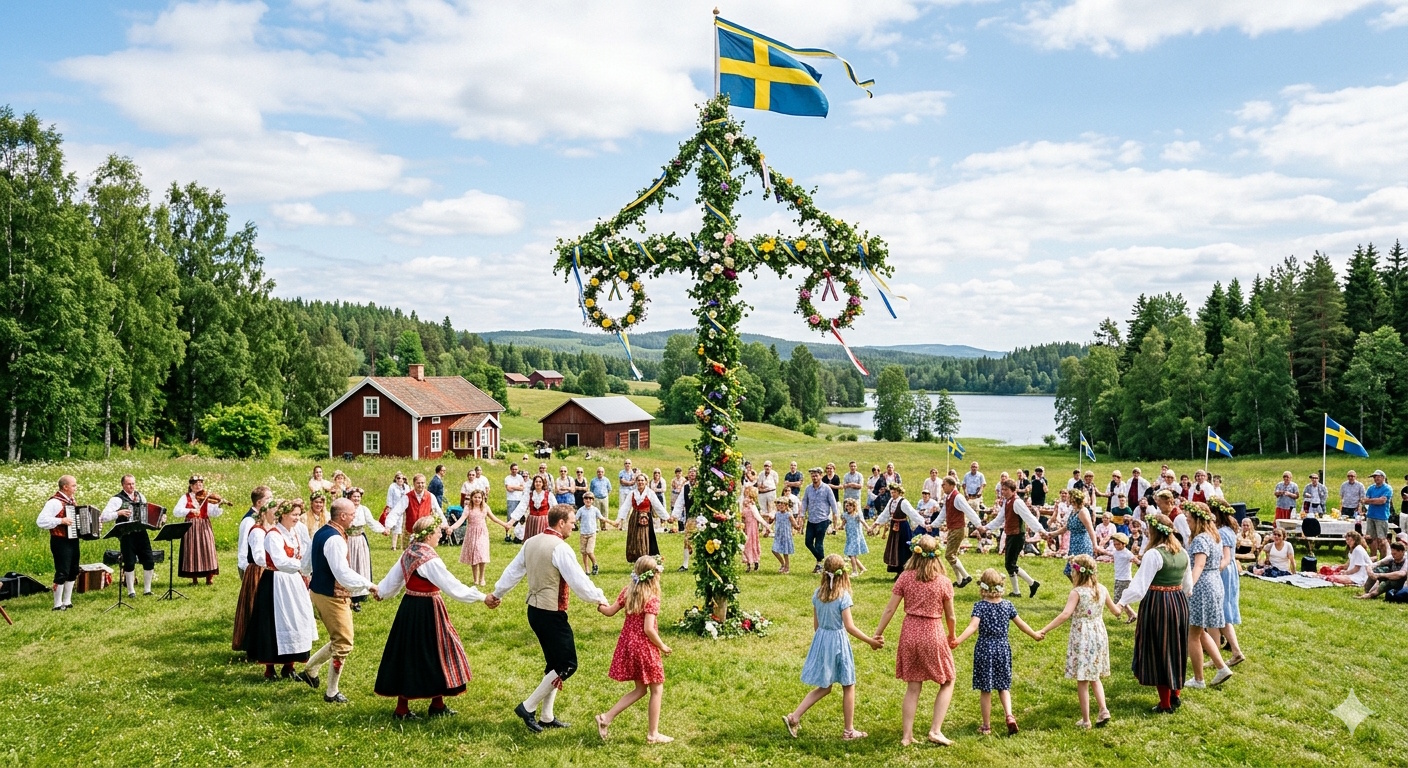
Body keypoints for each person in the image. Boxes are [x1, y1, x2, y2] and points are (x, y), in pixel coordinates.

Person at [492, 504, 611, 733]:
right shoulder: (561, 548)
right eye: (572, 522)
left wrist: (497, 593)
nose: (574, 525)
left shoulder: (530, 542)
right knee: (567, 664)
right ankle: (528, 707)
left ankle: (547, 716)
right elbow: (578, 580)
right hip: (550, 613)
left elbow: (512, 572)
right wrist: (599, 598)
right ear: (561, 523)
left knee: (554, 664)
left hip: (534, 612)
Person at [375, 516, 489, 720]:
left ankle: (436, 704)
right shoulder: (429, 559)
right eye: (437, 532)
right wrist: (482, 597)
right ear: (427, 536)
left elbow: (393, 580)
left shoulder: (410, 551)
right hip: (427, 609)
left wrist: (381, 592)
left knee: (411, 652)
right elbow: (452, 586)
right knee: (434, 652)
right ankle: (404, 709)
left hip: (410, 608)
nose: (439, 535)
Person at [783, 554, 884, 741]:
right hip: (838, 642)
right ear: (843, 574)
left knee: (825, 686)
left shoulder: (817, 594)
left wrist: (822, 642)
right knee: (848, 684)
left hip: (822, 640)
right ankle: (848, 731)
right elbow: (850, 627)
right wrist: (871, 641)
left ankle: (794, 717)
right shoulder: (843, 597)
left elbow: (816, 625)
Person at [873, 535, 958, 746]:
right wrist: (952, 635)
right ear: (937, 556)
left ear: (915, 552)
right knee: (947, 680)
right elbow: (951, 616)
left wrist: (878, 632)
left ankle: (907, 736)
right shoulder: (944, 582)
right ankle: (935, 730)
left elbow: (890, 608)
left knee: (913, 686)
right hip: (933, 631)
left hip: (909, 631)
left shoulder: (905, 577)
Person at [301, 498, 379, 704]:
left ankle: (310, 669)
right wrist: (368, 585)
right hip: (331, 596)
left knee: (339, 639)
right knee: (344, 643)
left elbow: (306, 565)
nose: (355, 516)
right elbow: (342, 573)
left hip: (318, 592)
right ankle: (331, 692)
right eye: (353, 513)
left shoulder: (321, 532)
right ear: (343, 516)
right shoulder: (335, 539)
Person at [1035, 554, 1124, 729]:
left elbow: (1065, 614)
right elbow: (1116, 611)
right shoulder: (1102, 589)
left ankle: (1086, 720)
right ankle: (1103, 709)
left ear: (1078, 573)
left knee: (1083, 678)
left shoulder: (1077, 592)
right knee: (1095, 676)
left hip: (1083, 637)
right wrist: (1125, 603)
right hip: (1098, 635)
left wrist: (1044, 629)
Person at [951, 569, 1042, 735]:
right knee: (1003, 686)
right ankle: (1009, 715)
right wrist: (1034, 634)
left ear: (982, 587)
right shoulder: (1007, 605)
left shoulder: (980, 606)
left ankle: (986, 726)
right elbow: (1021, 624)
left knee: (986, 689)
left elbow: (972, 627)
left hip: (985, 649)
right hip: (1002, 649)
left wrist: (957, 640)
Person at [1115, 513, 1189, 714]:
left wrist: (1122, 602)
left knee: (1158, 649)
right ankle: (1175, 695)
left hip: (1158, 603)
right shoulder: (1183, 552)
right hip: (1179, 602)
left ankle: (1165, 704)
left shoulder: (1154, 554)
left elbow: (1139, 587)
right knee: (1175, 647)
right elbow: (1188, 586)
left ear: (1155, 531)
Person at [596, 556, 673, 743]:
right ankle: (653, 734)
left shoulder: (627, 592)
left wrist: (598, 603)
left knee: (640, 689)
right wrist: (662, 646)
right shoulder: (652, 598)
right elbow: (648, 628)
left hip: (628, 644)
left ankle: (606, 718)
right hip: (645, 647)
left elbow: (609, 611)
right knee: (657, 688)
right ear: (653, 576)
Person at [245, 500, 315, 682]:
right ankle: (270, 669)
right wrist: (302, 565)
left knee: (296, 620)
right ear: (283, 515)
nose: (297, 518)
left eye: (298, 514)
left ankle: (289, 666)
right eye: (294, 514)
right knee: (275, 623)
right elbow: (280, 561)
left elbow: (305, 550)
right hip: (276, 581)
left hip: (294, 582)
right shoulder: (273, 535)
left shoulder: (295, 532)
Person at [1181, 502, 1234, 690]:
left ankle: (1199, 679)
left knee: (1192, 634)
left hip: (1202, 586)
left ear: (1197, 519)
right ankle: (1221, 667)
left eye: (1188, 518)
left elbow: (1199, 565)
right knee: (1199, 631)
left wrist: (1188, 586)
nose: (1187, 521)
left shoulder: (1201, 539)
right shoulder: (1214, 537)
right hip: (1214, 583)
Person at [980, 479, 1048, 598]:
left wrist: (1040, 530)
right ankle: (1022, 589)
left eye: (1006, 490)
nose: (1003, 492)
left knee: (1010, 564)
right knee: (1010, 564)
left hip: (1017, 535)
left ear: (1013, 490)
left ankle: (1029, 585)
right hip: (1011, 534)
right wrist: (986, 528)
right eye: (1002, 490)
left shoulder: (1017, 502)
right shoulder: (1007, 501)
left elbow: (1029, 517)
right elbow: (1000, 519)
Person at [102, 474, 159, 597]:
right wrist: (119, 513)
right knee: (129, 562)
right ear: (123, 485)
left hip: (141, 533)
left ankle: (147, 589)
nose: (131, 486)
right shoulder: (116, 499)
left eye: (133, 483)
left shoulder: (140, 496)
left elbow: (147, 512)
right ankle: (131, 591)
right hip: (126, 534)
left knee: (149, 560)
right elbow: (103, 516)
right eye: (128, 484)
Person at [36, 475, 83, 611]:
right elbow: (41, 521)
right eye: (73, 485)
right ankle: (57, 603)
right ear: (65, 487)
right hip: (60, 541)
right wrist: (60, 521)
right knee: (62, 570)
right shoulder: (54, 502)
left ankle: (67, 600)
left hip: (73, 540)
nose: (76, 487)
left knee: (73, 569)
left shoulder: (71, 500)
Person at [1208, 498, 1246, 665]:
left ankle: (1232, 652)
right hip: (1226, 570)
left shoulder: (1223, 532)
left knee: (1219, 612)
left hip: (1223, 571)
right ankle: (1227, 652)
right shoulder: (1226, 530)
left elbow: (1226, 557)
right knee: (1218, 614)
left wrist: (1214, 572)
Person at [234, 497, 274, 651]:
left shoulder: (266, 528)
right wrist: (244, 567)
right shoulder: (253, 527)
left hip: (263, 568)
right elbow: (250, 551)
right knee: (253, 605)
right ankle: (251, 643)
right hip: (256, 569)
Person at [449, 488, 511, 586]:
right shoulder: (468, 507)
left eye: (479, 497)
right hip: (472, 532)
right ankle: (475, 579)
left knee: (481, 553)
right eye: (475, 497)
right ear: (472, 498)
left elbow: (494, 518)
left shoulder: (485, 507)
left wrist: (505, 524)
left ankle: (482, 578)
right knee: (474, 555)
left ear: (482, 498)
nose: (477, 499)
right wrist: (452, 528)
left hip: (482, 532)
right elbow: (461, 519)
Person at [173, 475, 223, 585]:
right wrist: (190, 510)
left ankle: (209, 577)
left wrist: (218, 505)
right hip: (191, 526)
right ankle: (194, 578)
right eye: (195, 484)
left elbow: (213, 513)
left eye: (200, 484)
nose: (198, 486)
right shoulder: (185, 497)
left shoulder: (207, 497)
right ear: (191, 486)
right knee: (192, 550)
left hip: (204, 525)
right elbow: (176, 511)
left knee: (207, 549)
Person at [869, 484, 925, 578]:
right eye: (891, 492)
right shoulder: (891, 501)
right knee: (894, 549)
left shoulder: (903, 502)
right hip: (894, 528)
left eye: (894, 492)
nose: (892, 494)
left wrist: (924, 523)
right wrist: (875, 524)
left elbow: (912, 514)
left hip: (903, 528)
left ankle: (906, 570)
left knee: (903, 549)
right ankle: (898, 570)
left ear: (899, 492)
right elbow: (885, 514)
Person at [345, 487, 385, 611]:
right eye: (354, 496)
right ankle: (349, 594)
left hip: (360, 540)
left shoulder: (364, 509)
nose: (356, 499)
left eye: (358, 496)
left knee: (360, 564)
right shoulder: (345, 509)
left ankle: (360, 594)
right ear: (349, 497)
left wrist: (383, 530)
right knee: (349, 565)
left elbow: (371, 522)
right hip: (348, 540)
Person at [938, 476, 982, 589]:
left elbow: (969, 510)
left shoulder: (958, 497)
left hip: (958, 528)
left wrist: (978, 524)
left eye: (944, 484)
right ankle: (959, 580)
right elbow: (943, 514)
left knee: (949, 555)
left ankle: (966, 576)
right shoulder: (947, 497)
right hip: (952, 528)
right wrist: (932, 525)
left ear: (952, 486)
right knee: (953, 555)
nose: (942, 486)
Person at [620, 473, 666, 567]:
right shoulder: (632, 493)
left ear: (646, 482)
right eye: (639, 480)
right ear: (636, 482)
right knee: (634, 540)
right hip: (634, 518)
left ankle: (644, 562)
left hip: (645, 519)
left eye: (642, 480)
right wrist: (619, 519)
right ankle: (637, 562)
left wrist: (666, 517)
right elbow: (625, 506)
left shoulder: (650, 493)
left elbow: (658, 506)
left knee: (643, 539)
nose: (640, 482)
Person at [800, 468, 840, 574]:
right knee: (808, 542)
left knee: (818, 543)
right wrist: (802, 514)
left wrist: (836, 515)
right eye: (812, 475)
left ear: (821, 476)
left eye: (816, 475)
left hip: (823, 520)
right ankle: (821, 559)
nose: (814, 477)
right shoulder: (808, 488)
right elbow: (804, 502)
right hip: (811, 519)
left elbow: (833, 502)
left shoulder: (826, 488)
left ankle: (819, 565)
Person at [574, 491, 617, 576]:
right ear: (583, 500)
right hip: (583, 533)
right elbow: (575, 519)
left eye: (590, 499)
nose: (588, 500)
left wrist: (612, 522)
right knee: (584, 552)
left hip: (592, 533)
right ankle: (587, 569)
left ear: (593, 500)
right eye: (586, 498)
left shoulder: (595, 510)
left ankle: (595, 564)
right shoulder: (581, 510)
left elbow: (602, 518)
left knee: (589, 551)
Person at [511, 474, 555, 541]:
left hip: (544, 521)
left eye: (540, 482)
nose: (538, 483)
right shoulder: (529, 495)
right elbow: (521, 507)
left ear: (543, 483)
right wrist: (512, 521)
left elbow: (555, 508)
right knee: (531, 541)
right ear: (533, 483)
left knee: (543, 541)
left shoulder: (549, 495)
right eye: (536, 482)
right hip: (532, 521)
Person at [1364, 470, 1393, 559]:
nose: (1375, 478)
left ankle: (1383, 559)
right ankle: (1373, 558)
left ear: (1383, 477)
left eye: (1377, 476)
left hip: (1381, 516)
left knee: (1382, 540)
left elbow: (1382, 501)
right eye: (1374, 477)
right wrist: (1374, 500)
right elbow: (1365, 500)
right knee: (1371, 539)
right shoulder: (1371, 488)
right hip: (1370, 515)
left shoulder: (1387, 488)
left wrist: (1370, 500)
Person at [771, 495, 801, 573]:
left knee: (785, 552)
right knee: (774, 550)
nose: (780, 506)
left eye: (782, 504)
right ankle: (783, 564)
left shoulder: (788, 515)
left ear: (786, 505)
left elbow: (794, 524)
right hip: (778, 535)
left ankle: (787, 567)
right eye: (779, 504)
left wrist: (798, 527)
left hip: (786, 536)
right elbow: (773, 522)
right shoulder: (777, 514)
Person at [841, 499, 869, 575]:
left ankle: (854, 571)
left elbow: (863, 522)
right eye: (847, 506)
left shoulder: (857, 515)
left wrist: (868, 528)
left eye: (850, 506)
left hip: (856, 536)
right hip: (849, 537)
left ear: (854, 507)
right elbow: (843, 524)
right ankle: (862, 568)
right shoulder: (845, 515)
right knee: (850, 554)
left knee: (852, 554)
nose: (848, 507)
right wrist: (838, 528)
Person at [741, 486, 765, 573]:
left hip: (752, 526)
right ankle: (749, 562)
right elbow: (743, 514)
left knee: (752, 542)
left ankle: (755, 561)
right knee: (747, 543)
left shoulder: (753, 504)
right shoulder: (746, 503)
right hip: (747, 525)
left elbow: (757, 515)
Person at [1110, 533, 1139, 603]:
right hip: (1118, 578)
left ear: (1124, 544)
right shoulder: (1116, 552)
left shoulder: (1127, 553)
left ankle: (1118, 611)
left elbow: (1136, 561)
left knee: (1118, 599)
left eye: (1118, 544)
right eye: (1115, 544)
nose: (1116, 546)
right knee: (1121, 598)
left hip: (1124, 579)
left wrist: (1138, 563)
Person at [385, 472, 410, 549]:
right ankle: (394, 546)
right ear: (395, 479)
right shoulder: (392, 487)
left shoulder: (406, 487)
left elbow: (409, 497)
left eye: (402, 478)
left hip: (404, 509)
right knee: (396, 527)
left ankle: (403, 545)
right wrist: (389, 507)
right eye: (398, 478)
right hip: (395, 509)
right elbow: (389, 497)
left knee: (404, 527)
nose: (400, 480)